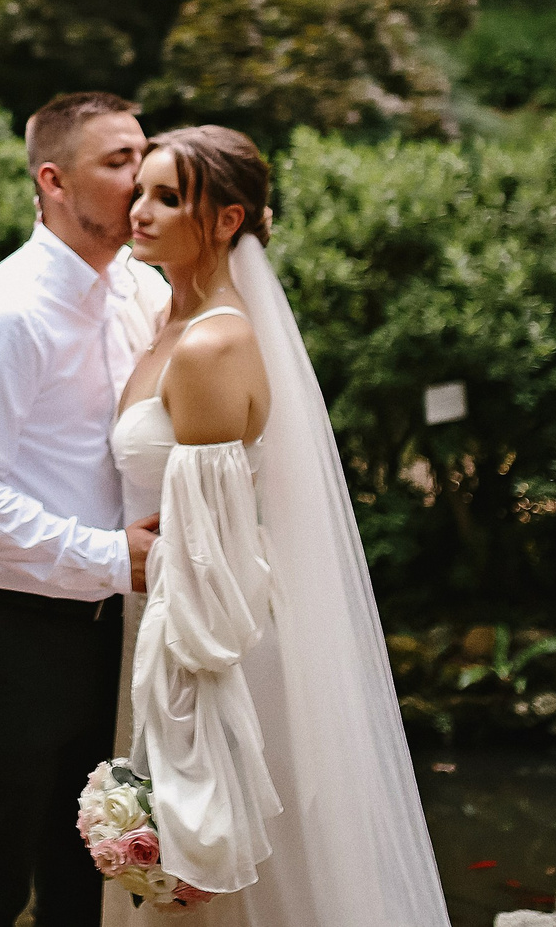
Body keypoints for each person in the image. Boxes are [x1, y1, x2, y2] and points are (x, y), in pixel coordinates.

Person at [103, 126, 449, 927]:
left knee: (220, 875)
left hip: (211, 644)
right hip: (167, 612)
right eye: (139, 191)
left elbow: (215, 559)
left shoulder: (212, 343)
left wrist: (187, 702)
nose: (140, 211)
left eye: (167, 196)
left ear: (226, 220)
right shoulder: (167, 318)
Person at [0, 91, 167, 927]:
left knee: (86, 887)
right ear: (54, 180)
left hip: (113, 643)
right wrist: (109, 554)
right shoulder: (6, 311)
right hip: (5, 644)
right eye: (119, 162)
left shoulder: (140, 292)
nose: (143, 179)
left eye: (144, 154)